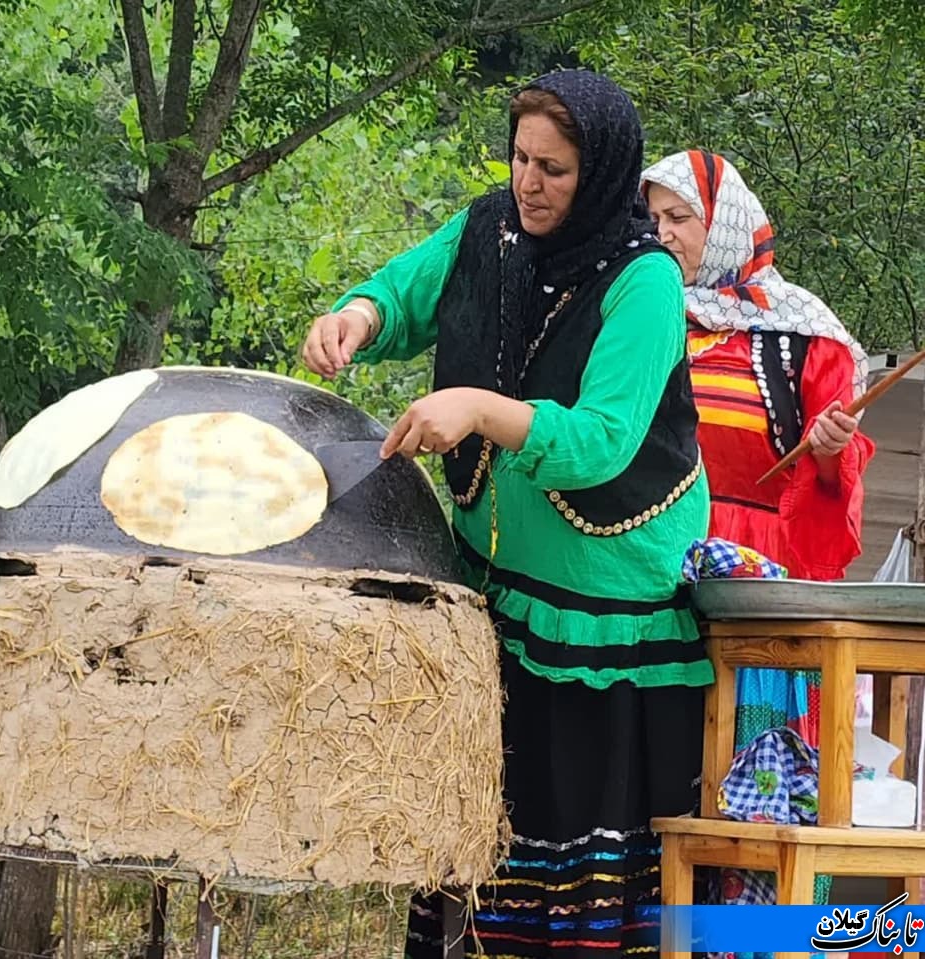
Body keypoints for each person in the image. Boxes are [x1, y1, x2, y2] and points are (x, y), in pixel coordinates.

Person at [302, 70, 710, 959]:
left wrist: (479, 409)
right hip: (498, 590)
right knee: (482, 848)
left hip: (607, 612)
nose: (529, 182)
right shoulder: (490, 228)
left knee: (580, 867)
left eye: (554, 169)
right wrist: (358, 316)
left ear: (599, 173)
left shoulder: (645, 284)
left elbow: (602, 440)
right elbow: (410, 289)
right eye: (521, 158)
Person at [641, 150, 875, 911]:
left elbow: (830, 491)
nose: (663, 232)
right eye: (652, 217)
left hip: (752, 573)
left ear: (728, 228)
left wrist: (832, 453)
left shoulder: (805, 335)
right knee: (657, 761)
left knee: (740, 769)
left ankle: (746, 929)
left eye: (680, 218)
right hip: (645, 563)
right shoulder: (634, 314)